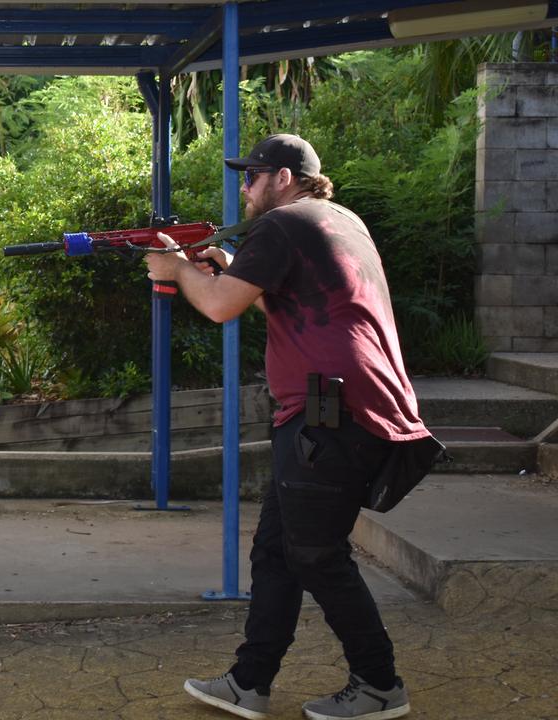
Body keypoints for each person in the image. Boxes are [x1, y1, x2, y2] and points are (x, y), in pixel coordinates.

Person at [145, 134, 427, 720]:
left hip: (329, 416)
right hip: (346, 411)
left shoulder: (280, 224)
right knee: (278, 550)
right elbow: (276, 295)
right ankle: (250, 683)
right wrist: (221, 268)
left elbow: (220, 306)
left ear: (281, 177)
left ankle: (379, 684)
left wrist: (175, 268)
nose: (243, 189)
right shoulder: (337, 220)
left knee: (316, 554)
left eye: (250, 177)